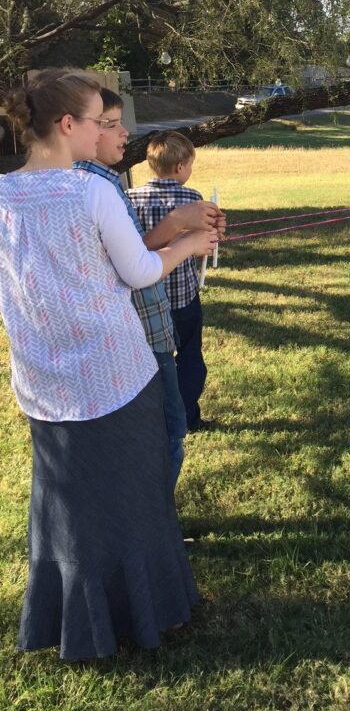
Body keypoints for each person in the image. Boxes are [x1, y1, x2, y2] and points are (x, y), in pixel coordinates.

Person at [0, 69, 218, 660]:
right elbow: (140, 272)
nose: (104, 132)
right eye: (99, 120)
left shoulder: (2, 195)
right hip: (116, 372)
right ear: (67, 125)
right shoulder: (89, 190)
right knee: (134, 496)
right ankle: (149, 614)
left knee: (65, 503)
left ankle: (72, 619)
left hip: (43, 381)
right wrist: (189, 247)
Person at [73, 88, 225, 485]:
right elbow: (135, 263)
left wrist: (199, 230)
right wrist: (184, 233)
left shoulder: (124, 192)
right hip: (153, 315)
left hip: (151, 313)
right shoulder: (95, 190)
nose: (124, 133)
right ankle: (154, 521)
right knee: (171, 420)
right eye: (109, 124)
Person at [128, 132, 210, 431]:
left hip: (144, 303)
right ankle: (187, 416)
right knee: (190, 357)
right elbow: (205, 243)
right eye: (190, 165)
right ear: (180, 168)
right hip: (183, 298)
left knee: (154, 361)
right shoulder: (192, 199)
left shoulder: (130, 198)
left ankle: (155, 418)